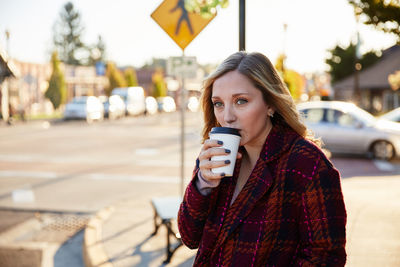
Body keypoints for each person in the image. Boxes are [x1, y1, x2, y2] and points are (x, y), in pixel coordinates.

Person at [177, 51, 346, 266]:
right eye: (218, 103)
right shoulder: (215, 157)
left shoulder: (307, 164)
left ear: (270, 104)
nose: (227, 116)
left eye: (240, 101)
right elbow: (189, 237)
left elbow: (326, 258)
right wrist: (203, 184)